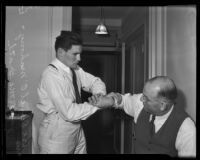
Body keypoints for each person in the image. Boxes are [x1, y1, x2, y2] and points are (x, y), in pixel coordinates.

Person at [88, 76, 196, 157]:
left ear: (162, 105)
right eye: (143, 95)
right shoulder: (141, 104)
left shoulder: (187, 128)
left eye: (146, 98)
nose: (141, 99)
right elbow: (124, 100)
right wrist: (111, 101)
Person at [37, 30, 106, 154]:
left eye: (80, 54)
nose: (79, 58)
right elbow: (69, 113)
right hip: (57, 132)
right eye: (75, 54)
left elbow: (96, 82)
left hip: (77, 128)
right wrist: (97, 104)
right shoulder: (51, 75)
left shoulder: (75, 69)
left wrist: (98, 96)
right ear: (60, 52)